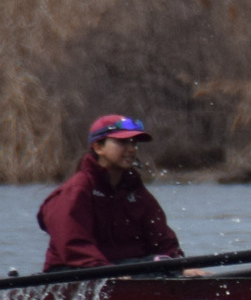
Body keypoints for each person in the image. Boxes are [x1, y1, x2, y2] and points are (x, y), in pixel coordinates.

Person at [38, 115, 185, 271]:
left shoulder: (136, 191)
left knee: (162, 264)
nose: (132, 149)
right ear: (98, 148)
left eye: (134, 143)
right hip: (74, 272)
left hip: (123, 269)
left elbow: (162, 238)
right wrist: (104, 270)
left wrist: (180, 265)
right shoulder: (76, 190)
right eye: (122, 142)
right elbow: (73, 244)